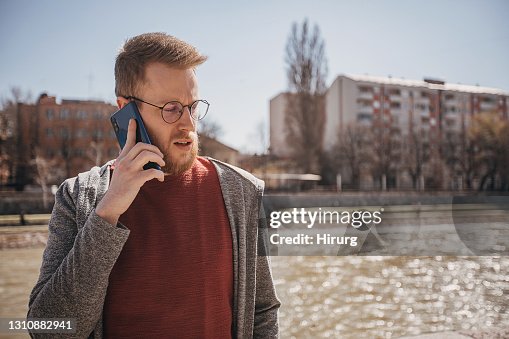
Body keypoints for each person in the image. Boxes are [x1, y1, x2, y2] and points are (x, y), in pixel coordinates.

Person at [27, 32, 280, 338]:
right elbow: (47, 330)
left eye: (193, 106)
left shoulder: (242, 192)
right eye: (172, 108)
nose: (188, 123)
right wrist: (108, 212)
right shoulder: (78, 196)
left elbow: (262, 311)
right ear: (126, 109)